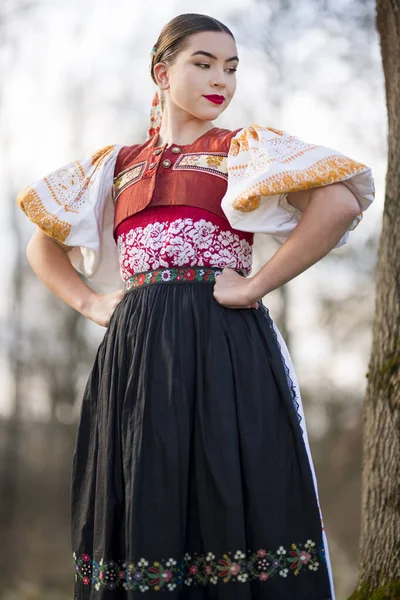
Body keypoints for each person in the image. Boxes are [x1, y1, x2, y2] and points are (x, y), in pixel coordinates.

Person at [16, 12, 374, 600]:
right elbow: (42, 243)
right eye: (202, 63)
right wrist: (89, 301)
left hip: (222, 343)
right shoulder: (117, 166)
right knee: (143, 487)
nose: (221, 80)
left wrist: (256, 285)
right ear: (162, 73)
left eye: (231, 68)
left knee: (230, 485)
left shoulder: (242, 151)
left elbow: (337, 201)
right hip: (135, 355)